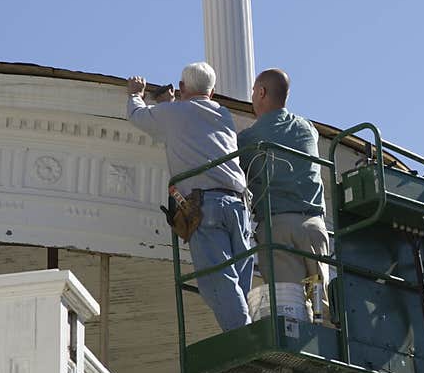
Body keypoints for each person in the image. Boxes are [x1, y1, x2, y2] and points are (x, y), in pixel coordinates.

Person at [126, 62, 253, 332]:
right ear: (213, 91)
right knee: (240, 278)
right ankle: (246, 328)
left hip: (206, 207)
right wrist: (174, 104)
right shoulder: (224, 114)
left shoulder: (174, 113)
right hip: (237, 205)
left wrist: (135, 93)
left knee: (217, 280)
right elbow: (194, 121)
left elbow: (139, 116)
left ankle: (243, 336)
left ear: (183, 87)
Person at [237, 68, 331, 325]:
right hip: (313, 228)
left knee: (291, 303)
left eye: (255, 92)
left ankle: (303, 345)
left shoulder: (249, 139)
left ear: (262, 92)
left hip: (279, 228)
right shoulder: (307, 128)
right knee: (319, 293)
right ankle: (325, 336)